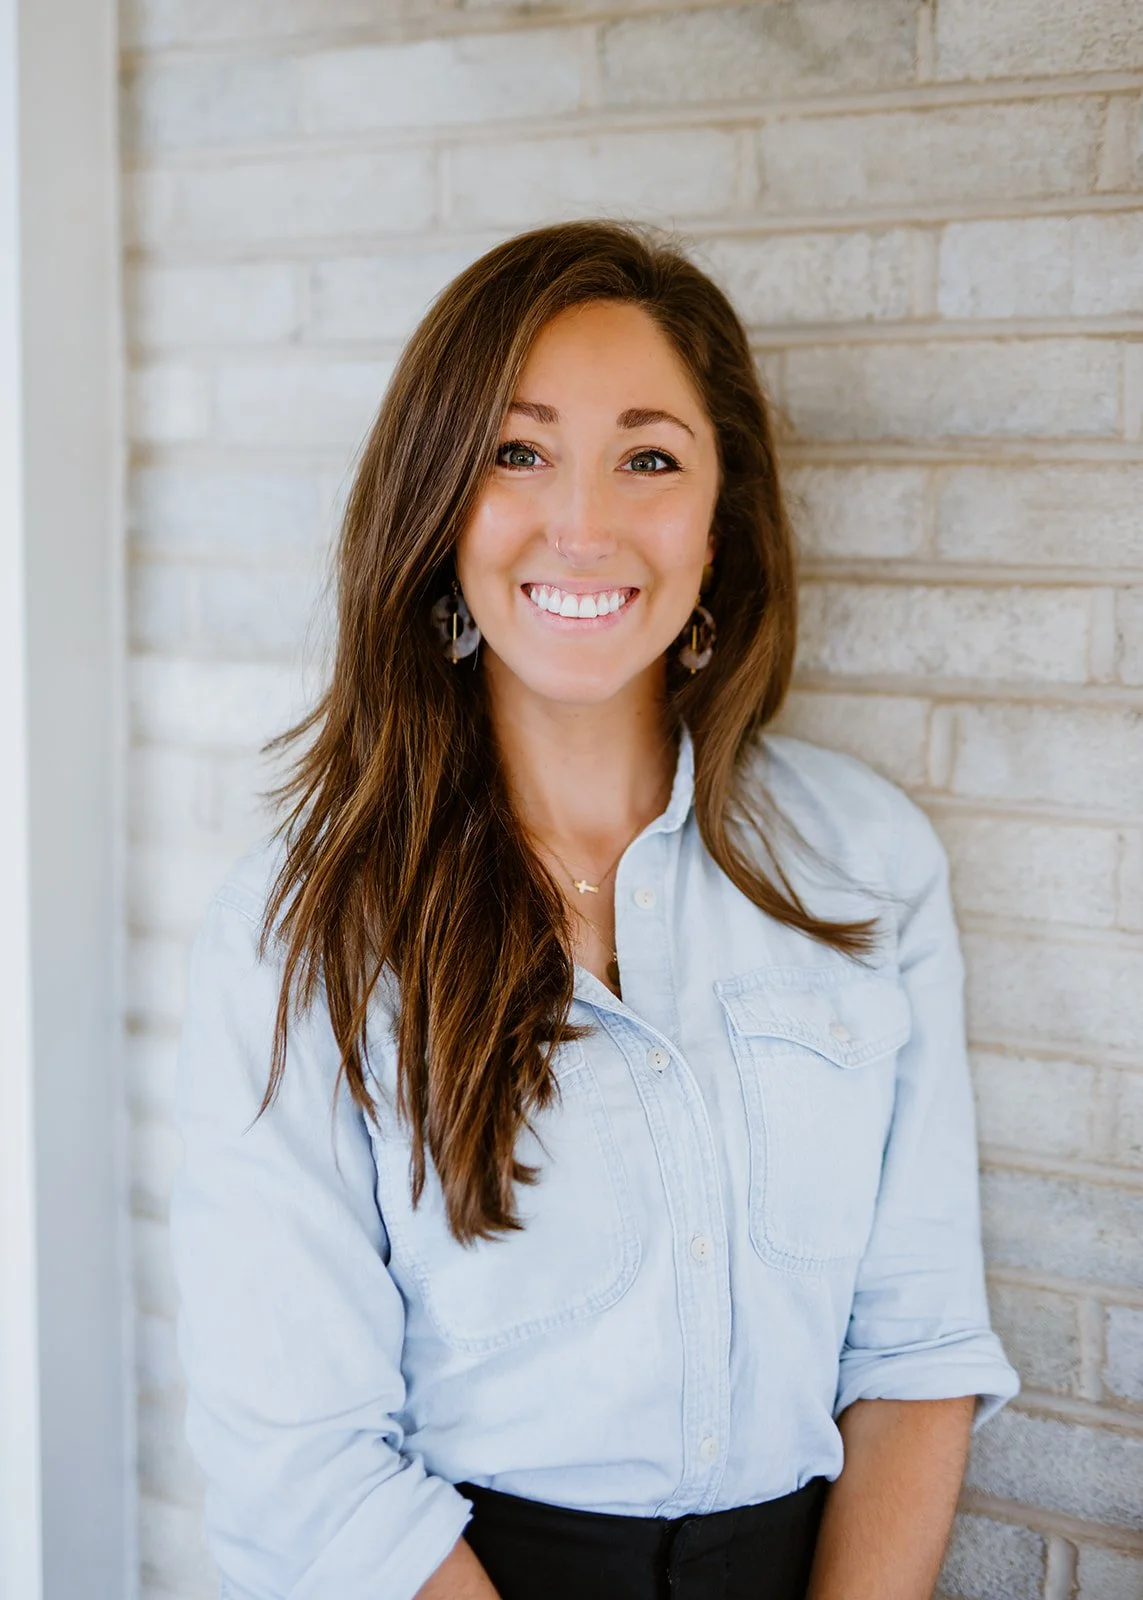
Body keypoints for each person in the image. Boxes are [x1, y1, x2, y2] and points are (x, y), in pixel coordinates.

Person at [170, 218, 1020, 1600]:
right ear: (437, 505)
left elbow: (916, 1345)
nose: (584, 522)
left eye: (648, 458)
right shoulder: (303, 929)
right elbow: (300, 1459)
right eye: (516, 452)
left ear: (718, 518)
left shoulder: (862, 864)